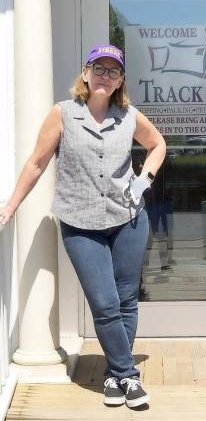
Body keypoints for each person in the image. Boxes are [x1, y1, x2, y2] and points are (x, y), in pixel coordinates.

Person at [0, 44, 166, 408]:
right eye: (99, 68)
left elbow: (158, 144)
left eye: (113, 71)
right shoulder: (62, 114)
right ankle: (128, 376)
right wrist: (11, 205)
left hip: (128, 219)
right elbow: (36, 163)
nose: (105, 75)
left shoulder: (128, 115)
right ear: (86, 72)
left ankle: (113, 374)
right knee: (104, 302)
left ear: (121, 79)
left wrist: (143, 181)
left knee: (125, 301)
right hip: (80, 222)